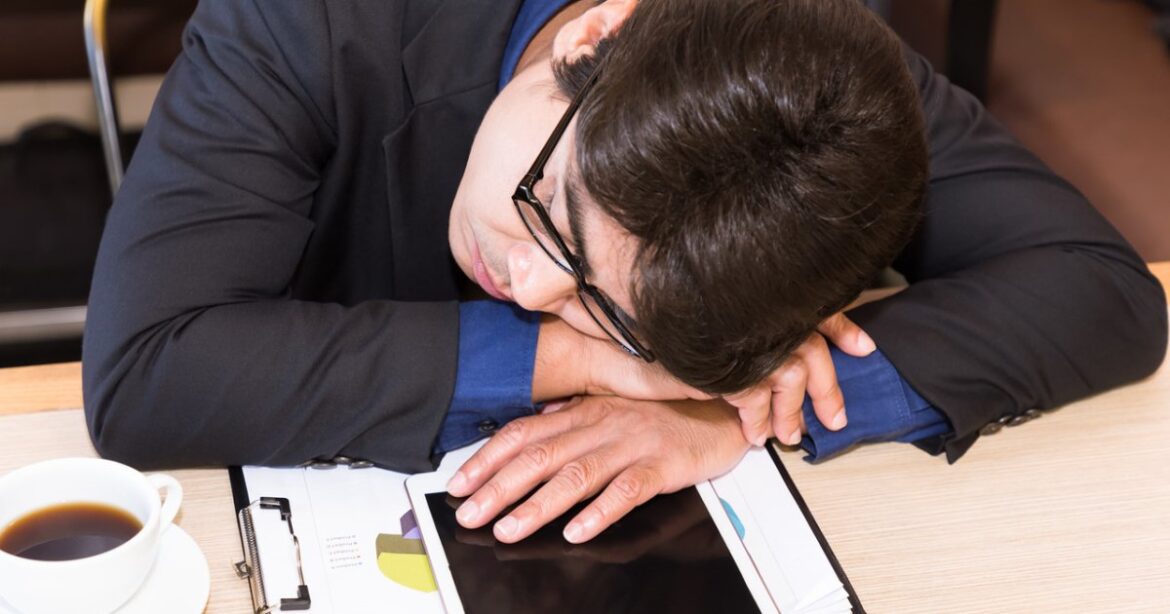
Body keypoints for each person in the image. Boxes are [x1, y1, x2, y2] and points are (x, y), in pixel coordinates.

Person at [83, 0, 1166, 547]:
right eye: (546, 212)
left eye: (609, 307)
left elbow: (1100, 290)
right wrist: (591, 361)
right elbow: (149, 368)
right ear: (594, 38)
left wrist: (735, 408)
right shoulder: (309, 17)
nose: (526, 284)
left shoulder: (817, 77)